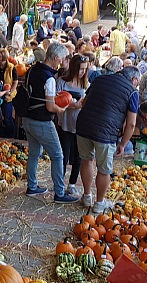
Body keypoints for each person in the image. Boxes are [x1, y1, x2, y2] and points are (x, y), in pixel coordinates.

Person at [76, 66, 141, 214]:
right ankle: (99, 203)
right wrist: (123, 144)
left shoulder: (99, 79)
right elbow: (131, 123)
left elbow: (84, 102)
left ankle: (86, 196)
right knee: (104, 170)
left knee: (86, 160)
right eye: (137, 82)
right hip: (106, 132)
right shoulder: (132, 92)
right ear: (134, 79)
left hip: (84, 125)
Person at [20, 43, 76, 203]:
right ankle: (59, 192)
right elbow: (50, 106)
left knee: (34, 153)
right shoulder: (49, 78)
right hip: (42, 122)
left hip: (27, 118)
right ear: (56, 57)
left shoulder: (32, 70)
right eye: (64, 58)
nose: (64, 61)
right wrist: (61, 109)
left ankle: (32, 186)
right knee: (58, 155)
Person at [56, 54, 88, 196]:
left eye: (84, 70)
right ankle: (59, 183)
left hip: (80, 125)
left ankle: (72, 183)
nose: (82, 72)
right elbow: (56, 101)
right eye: (80, 69)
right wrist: (73, 105)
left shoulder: (85, 85)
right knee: (63, 155)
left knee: (78, 157)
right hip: (65, 124)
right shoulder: (61, 82)